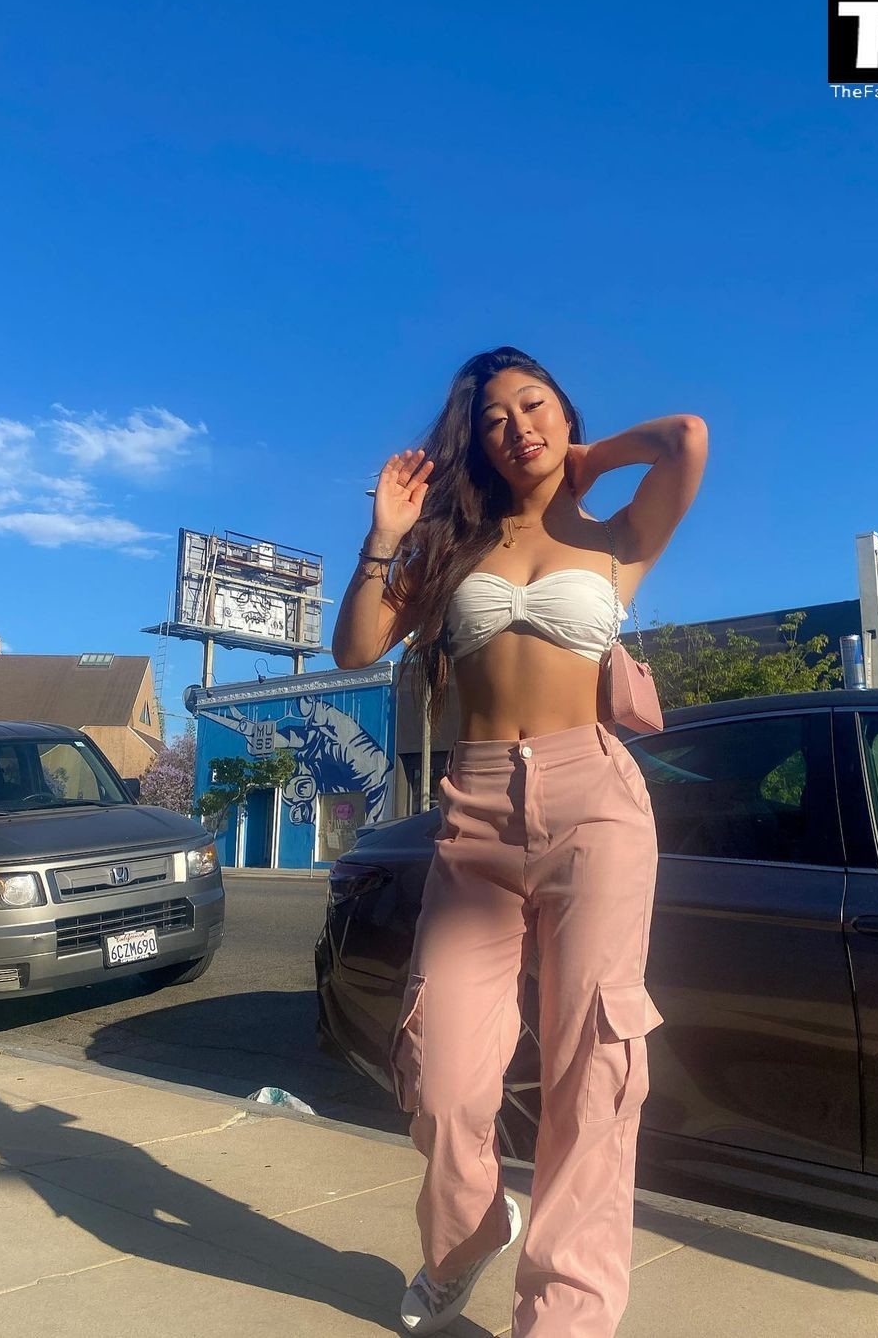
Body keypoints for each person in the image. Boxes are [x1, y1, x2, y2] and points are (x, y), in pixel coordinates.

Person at [331, 345, 708, 1337]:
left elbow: (686, 439)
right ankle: (465, 1239)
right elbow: (356, 646)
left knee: (595, 1066)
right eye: (494, 419)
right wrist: (384, 537)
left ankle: (566, 1314)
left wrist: (587, 460)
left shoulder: (617, 536)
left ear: (565, 412)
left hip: (596, 805)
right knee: (442, 1073)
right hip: (478, 811)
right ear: (477, 442)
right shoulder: (453, 551)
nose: (517, 428)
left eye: (533, 406)